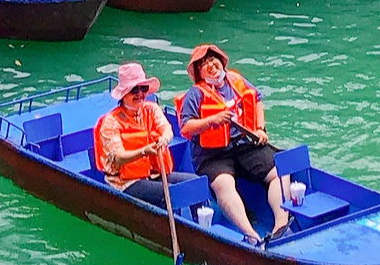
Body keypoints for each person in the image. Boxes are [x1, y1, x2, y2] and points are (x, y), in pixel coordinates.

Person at [175, 43, 292, 245]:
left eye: (213, 60)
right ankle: (251, 235)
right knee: (224, 184)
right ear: (199, 73)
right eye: (204, 64)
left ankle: (281, 226)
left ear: (221, 61)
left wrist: (260, 129)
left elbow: (256, 100)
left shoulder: (235, 80)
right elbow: (186, 127)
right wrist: (212, 120)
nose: (210, 65)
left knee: (280, 170)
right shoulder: (196, 94)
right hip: (211, 154)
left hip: (243, 145)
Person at [93, 63, 172, 191]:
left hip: (153, 174)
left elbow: (167, 130)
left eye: (144, 88)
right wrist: (143, 152)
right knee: (168, 193)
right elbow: (119, 158)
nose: (140, 94)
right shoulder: (111, 122)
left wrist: (164, 139)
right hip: (125, 182)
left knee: (192, 184)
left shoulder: (152, 109)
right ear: (123, 94)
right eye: (134, 90)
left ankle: (202, 211)